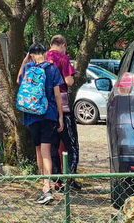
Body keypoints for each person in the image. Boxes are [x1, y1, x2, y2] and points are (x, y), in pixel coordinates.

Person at [17, 42, 65, 205]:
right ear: (44, 53)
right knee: (46, 151)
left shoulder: (27, 68)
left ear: (30, 54)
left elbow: (19, 80)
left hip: (32, 115)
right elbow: (58, 95)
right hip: (49, 113)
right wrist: (60, 116)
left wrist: (25, 59)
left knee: (38, 150)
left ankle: (43, 186)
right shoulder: (52, 69)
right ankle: (47, 187)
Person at [46, 35, 81, 189]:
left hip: (46, 107)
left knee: (53, 145)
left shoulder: (43, 57)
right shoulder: (63, 58)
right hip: (63, 106)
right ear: (63, 45)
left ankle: (57, 181)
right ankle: (70, 179)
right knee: (72, 144)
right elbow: (69, 81)